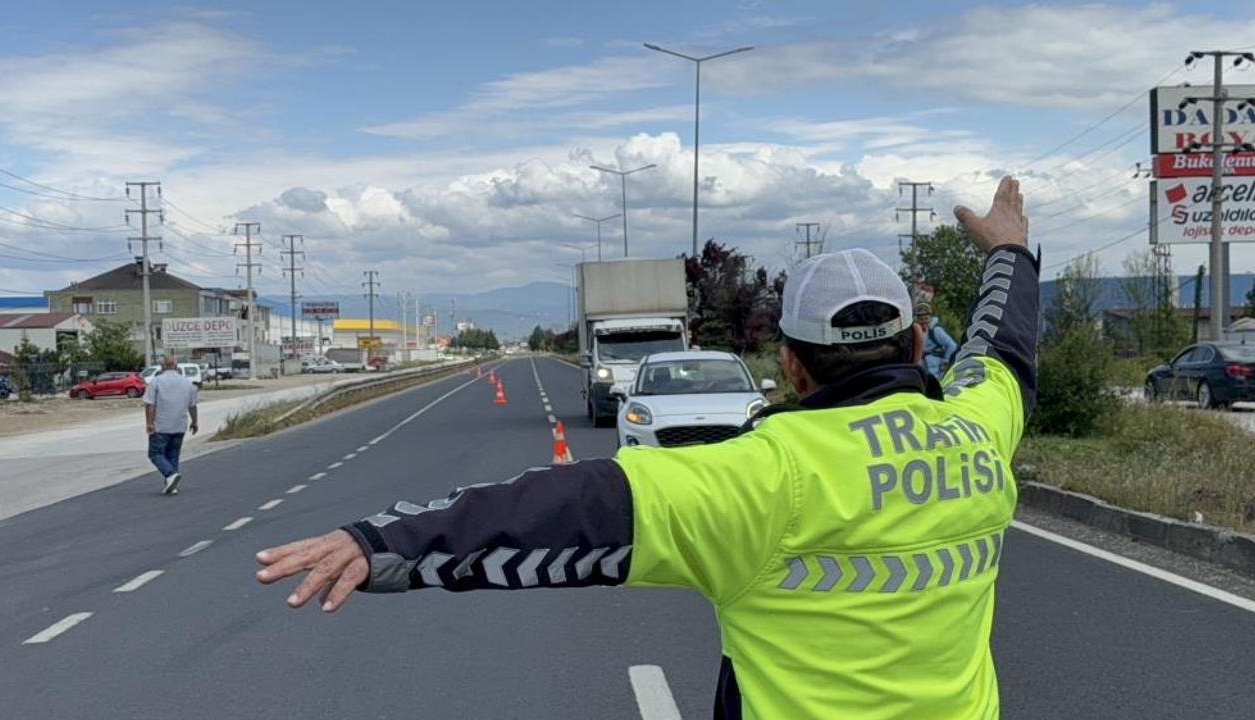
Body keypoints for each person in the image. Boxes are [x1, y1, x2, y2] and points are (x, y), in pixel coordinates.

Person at [256, 177, 1037, 719]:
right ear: (915, 343)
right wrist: (1010, 251)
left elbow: (569, 508)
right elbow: (1001, 350)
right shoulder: (977, 431)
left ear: (791, 365)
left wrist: (385, 543)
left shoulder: (768, 474)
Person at [143, 355, 198, 495]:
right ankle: (172, 484)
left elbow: (150, 404)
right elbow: (192, 405)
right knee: (173, 455)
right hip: (179, 425)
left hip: (161, 425)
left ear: (162, 366)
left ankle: (170, 474)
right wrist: (195, 421)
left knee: (155, 453)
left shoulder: (156, 381)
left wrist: (149, 422)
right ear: (176, 365)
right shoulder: (187, 383)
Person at [916, 301, 959, 377]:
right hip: (924, 369)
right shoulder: (918, 332)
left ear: (930, 317)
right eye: (921, 319)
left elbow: (952, 346)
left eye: (926, 318)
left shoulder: (936, 331)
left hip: (936, 369)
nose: (923, 321)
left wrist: (946, 361)